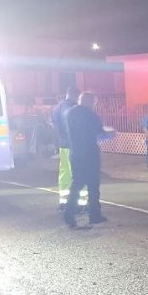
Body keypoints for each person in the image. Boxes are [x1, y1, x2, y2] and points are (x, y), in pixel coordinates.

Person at [62, 92, 113, 228]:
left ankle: (69, 213)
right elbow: (99, 134)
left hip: (75, 152)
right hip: (89, 153)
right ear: (91, 102)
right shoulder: (90, 115)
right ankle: (94, 214)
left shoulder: (69, 113)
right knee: (93, 185)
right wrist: (111, 134)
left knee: (77, 184)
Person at [51, 87, 86, 210]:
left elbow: (55, 126)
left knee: (64, 173)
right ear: (76, 97)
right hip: (74, 145)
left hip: (62, 145)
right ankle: (82, 203)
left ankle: (64, 201)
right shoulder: (72, 109)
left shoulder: (56, 108)